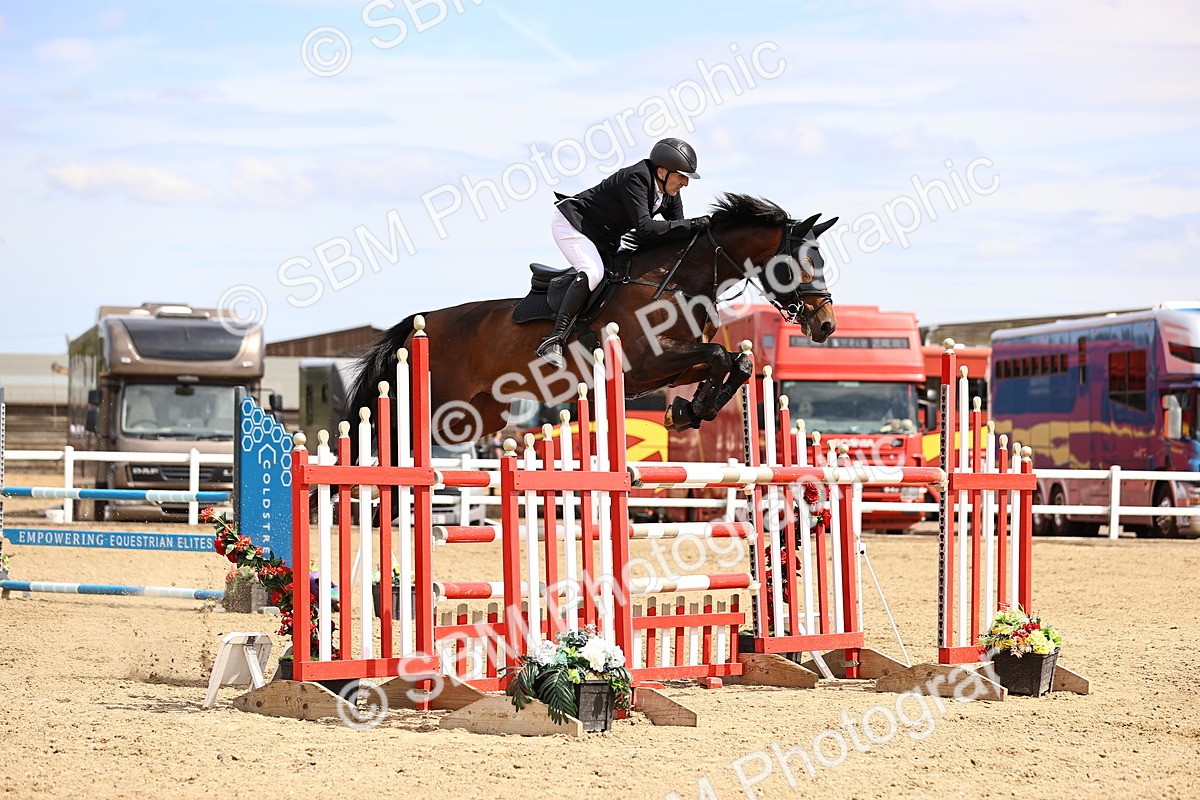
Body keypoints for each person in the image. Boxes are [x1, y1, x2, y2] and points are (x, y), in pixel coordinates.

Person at [536, 137, 713, 368]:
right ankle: (555, 339)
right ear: (662, 172)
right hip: (574, 225)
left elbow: (677, 232)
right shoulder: (636, 178)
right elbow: (645, 228)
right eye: (682, 176)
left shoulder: (670, 193)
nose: (685, 183)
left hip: (605, 236)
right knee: (593, 273)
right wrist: (692, 225)